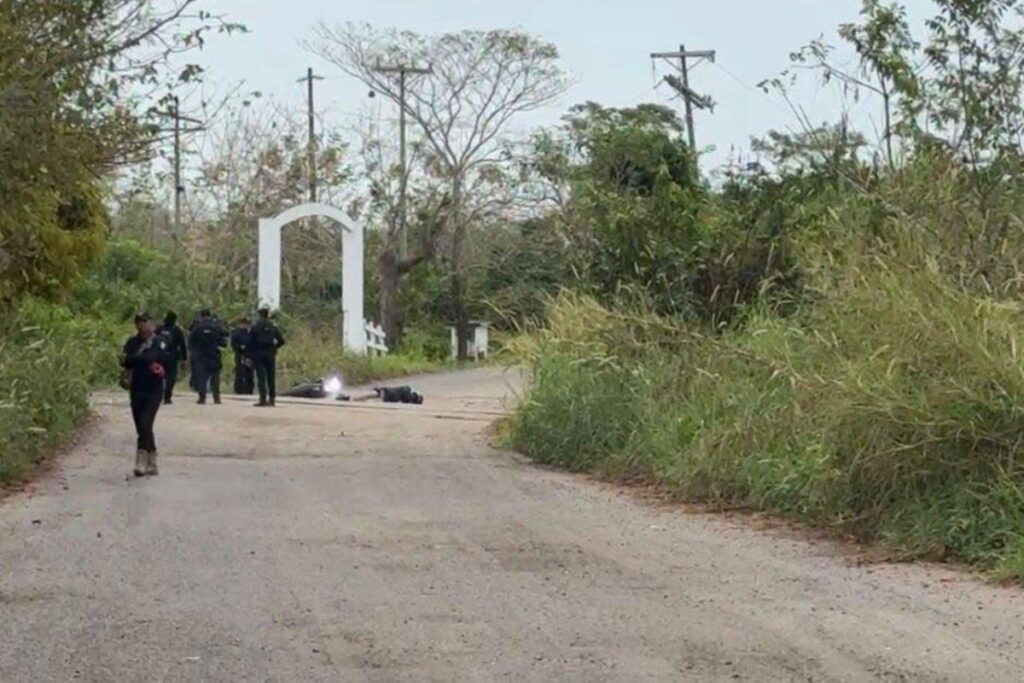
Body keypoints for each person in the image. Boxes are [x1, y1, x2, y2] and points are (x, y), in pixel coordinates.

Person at [121, 313, 171, 477]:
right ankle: (152, 455)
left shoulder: (159, 342)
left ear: (152, 323)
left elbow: (158, 358)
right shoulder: (132, 342)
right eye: (139, 322)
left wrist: (139, 359)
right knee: (140, 425)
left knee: (146, 423)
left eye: (145, 322)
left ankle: (141, 458)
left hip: (154, 389)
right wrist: (141, 359)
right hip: (136, 387)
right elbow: (125, 360)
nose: (142, 325)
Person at [188, 309, 228, 405]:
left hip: (201, 356)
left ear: (201, 316)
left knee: (202, 377)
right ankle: (216, 398)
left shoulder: (197, 327)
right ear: (210, 315)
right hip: (214, 354)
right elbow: (226, 334)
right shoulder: (216, 326)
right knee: (215, 377)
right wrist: (221, 344)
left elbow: (191, 340)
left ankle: (202, 397)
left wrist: (194, 351)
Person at [248, 306, 286, 407]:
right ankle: (272, 399)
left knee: (261, 377)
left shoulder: (255, 327)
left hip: (258, 353)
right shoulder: (273, 327)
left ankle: (262, 399)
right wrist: (275, 348)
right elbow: (282, 341)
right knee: (271, 376)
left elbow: (250, 343)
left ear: (260, 315)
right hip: (270, 353)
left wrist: (250, 356)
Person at [156, 311, 187, 405]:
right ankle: (167, 397)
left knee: (159, 376)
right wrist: (184, 358)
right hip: (172, 357)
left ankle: (159, 394)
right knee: (171, 377)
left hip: (160, 356)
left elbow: (153, 341)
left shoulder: (159, 329)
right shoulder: (177, 330)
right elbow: (182, 344)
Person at [230, 317, 255, 395]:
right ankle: (239, 389)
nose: (245, 326)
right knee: (240, 372)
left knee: (249, 373)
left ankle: (249, 389)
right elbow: (233, 344)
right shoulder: (236, 333)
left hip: (250, 355)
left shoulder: (250, 333)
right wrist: (240, 347)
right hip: (240, 355)